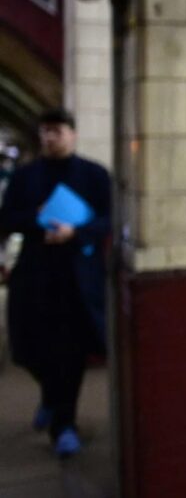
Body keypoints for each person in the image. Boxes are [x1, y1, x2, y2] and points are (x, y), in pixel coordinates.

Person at [0, 109, 110, 458]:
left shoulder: (93, 175)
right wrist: (35, 218)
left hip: (76, 275)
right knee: (26, 348)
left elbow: (109, 218)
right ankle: (50, 395)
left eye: (57, 131)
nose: (50, 138)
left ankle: (64, 425)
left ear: (72, 134)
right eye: (45, 132)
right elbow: (6, 219)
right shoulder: (25, 177)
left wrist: (75, 232)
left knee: (71, 353)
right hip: (34, 273)